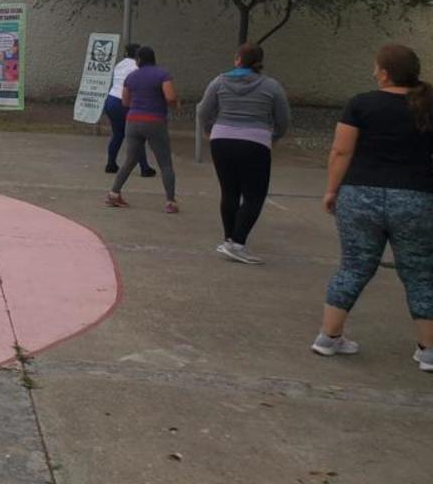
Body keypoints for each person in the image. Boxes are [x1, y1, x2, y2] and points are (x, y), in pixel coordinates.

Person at [311, 44, 433, 372]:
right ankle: (428, 350)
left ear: (384, 72)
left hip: (360, 194)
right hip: (416, 198)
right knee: (421, 272)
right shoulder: (428, 104)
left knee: (354, 266)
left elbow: (341, 152)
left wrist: (332, 190)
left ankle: (328, 337)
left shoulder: (361, 104)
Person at [199, 43, 292, 264]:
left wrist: (209, 130)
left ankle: (229, 239)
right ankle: (238, 243)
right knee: (254, 195)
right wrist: (275, 136)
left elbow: (203, 110)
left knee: (229, 191)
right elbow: (283, 118)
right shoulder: (271, 86)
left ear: (238, 59)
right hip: (255, 142)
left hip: (221, 139)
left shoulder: (219, 81)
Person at [106, 46, 180, 213]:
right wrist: (174, 105)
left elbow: (125, 101)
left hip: (133, 120)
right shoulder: (162, 74)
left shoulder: (131, 77)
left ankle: (114, 193)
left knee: (130, 160)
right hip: (155, 121)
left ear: (138, 60)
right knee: (165, 162)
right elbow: (170, 97)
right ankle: (170, 201)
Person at [104, 43, 155, 177]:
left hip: (111, 100)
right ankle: (144, 168)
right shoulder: (137, 68)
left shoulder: (119, 65)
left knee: (117, 134)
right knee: (136, 136)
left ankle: (111, 164)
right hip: (126, 103)